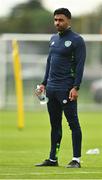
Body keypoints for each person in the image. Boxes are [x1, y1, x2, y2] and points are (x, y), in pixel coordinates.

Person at [35, 8, 86, 168]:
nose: (57, 22)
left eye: (61, 20)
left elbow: (80, 65)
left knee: (73, 124)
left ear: (68, 20)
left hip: (66, 88)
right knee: (55, 125)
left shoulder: (77, 40)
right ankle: (53, 159)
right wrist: (43, 83)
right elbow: (49, 62)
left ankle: (76, 160)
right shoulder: (53, 39)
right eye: (55, 20)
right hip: (51, 88)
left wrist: (76, 86)